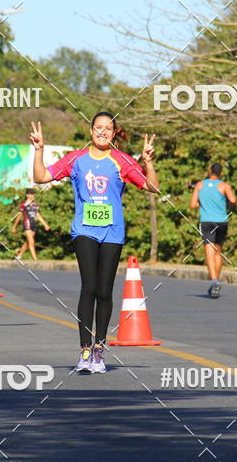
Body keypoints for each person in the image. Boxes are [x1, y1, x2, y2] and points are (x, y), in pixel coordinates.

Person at [30, 113, 159, 374]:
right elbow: (41, 177)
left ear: (114, 133)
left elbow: (152, 187)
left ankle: (99, 351)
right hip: (85, 231)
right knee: (88, 287)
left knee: (104, 291)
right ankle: (85, 350)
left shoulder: (121, 161)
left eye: (108, 129)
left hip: (112, 232)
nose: (103, 132)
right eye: (98, 128)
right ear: (90, 131)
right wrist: (39, 150)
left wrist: (147, 163)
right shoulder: (76, 159)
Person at [189, 163, 236, 298]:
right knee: (218, 252)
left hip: (207, 221)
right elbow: (233, 199)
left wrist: (201, 203)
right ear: (220, 173)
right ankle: (216, 281)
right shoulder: (224, 186)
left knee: (209, 253)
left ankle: (214, 281)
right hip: (221, 221)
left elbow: (192, 205)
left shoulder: (199, 185)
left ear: (209, 171)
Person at [11, 188, 50, 261]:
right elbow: (19, 216)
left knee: (28, 241)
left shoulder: (35, 204)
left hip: (33, 224)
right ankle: (35, 259)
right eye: (31, 194)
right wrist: (14, 226)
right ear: (27, 195)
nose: (33, 195)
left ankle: (19, 255)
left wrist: (45, 225)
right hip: (27, 224)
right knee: (31, 241)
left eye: (33, 194)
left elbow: (38, 215)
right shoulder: (24, 204)